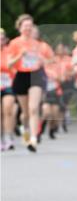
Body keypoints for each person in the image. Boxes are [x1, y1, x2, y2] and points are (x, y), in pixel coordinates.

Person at [7, 14, 54, 152]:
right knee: (25, 112)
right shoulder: (15, 43)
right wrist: (20, 55)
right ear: (20, 27)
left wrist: (43, 60)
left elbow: (51, 59)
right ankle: (25, 129)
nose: (28, 28)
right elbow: (9, 64)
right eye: (25, 26)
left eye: (30, 25)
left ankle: (33, 138)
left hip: (36, 75)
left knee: (34, 108)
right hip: (21, 76)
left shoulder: (40, 45)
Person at [1, 29, 17, 151]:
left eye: (2, 39)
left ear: (6, 40)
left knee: (8, 110)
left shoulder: (10, 51)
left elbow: (15, 66)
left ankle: (8, 137)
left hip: (8, 84)